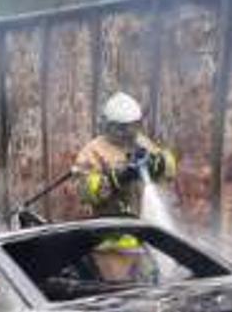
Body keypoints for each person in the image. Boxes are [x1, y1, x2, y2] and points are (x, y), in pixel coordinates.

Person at [71, 93, 176, 283]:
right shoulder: (93, 150)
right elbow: (83, 190)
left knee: (152, 291)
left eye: (133, 126)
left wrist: (160, 163)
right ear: (109, 125)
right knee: (119, 294)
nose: (128, 132)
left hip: (145, 238)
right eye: (122, 128)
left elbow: (169, 170)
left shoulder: (141, 142)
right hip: (112, 243)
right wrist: (114, 179)